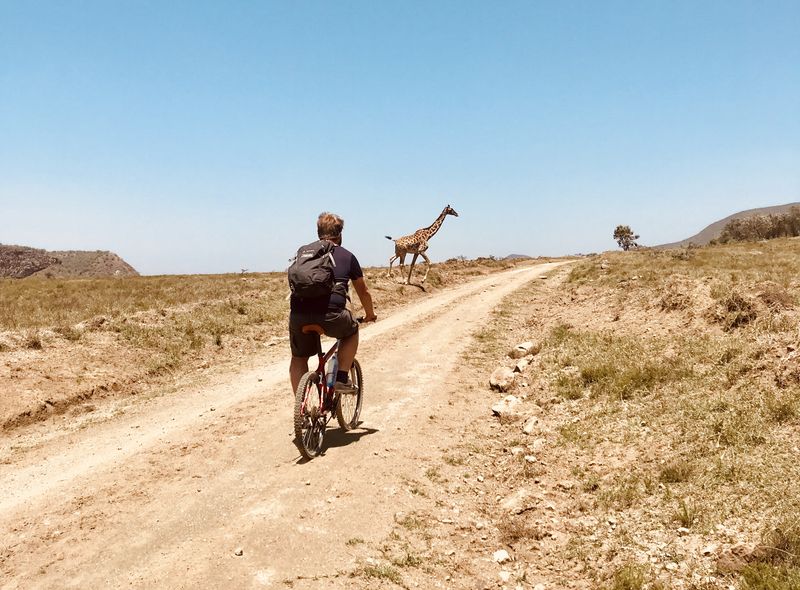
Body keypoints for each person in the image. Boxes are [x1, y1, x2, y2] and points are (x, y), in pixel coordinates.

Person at [289, 212, 377, 396]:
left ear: (318, 232)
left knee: (299, 358)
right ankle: (341, 378)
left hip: (299, 315)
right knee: (351, 330)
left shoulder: (303, 253)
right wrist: (370, 314)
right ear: (340, 234)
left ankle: (301, 407)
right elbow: (363, 291)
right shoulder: (347, 256)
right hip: (332, 315)